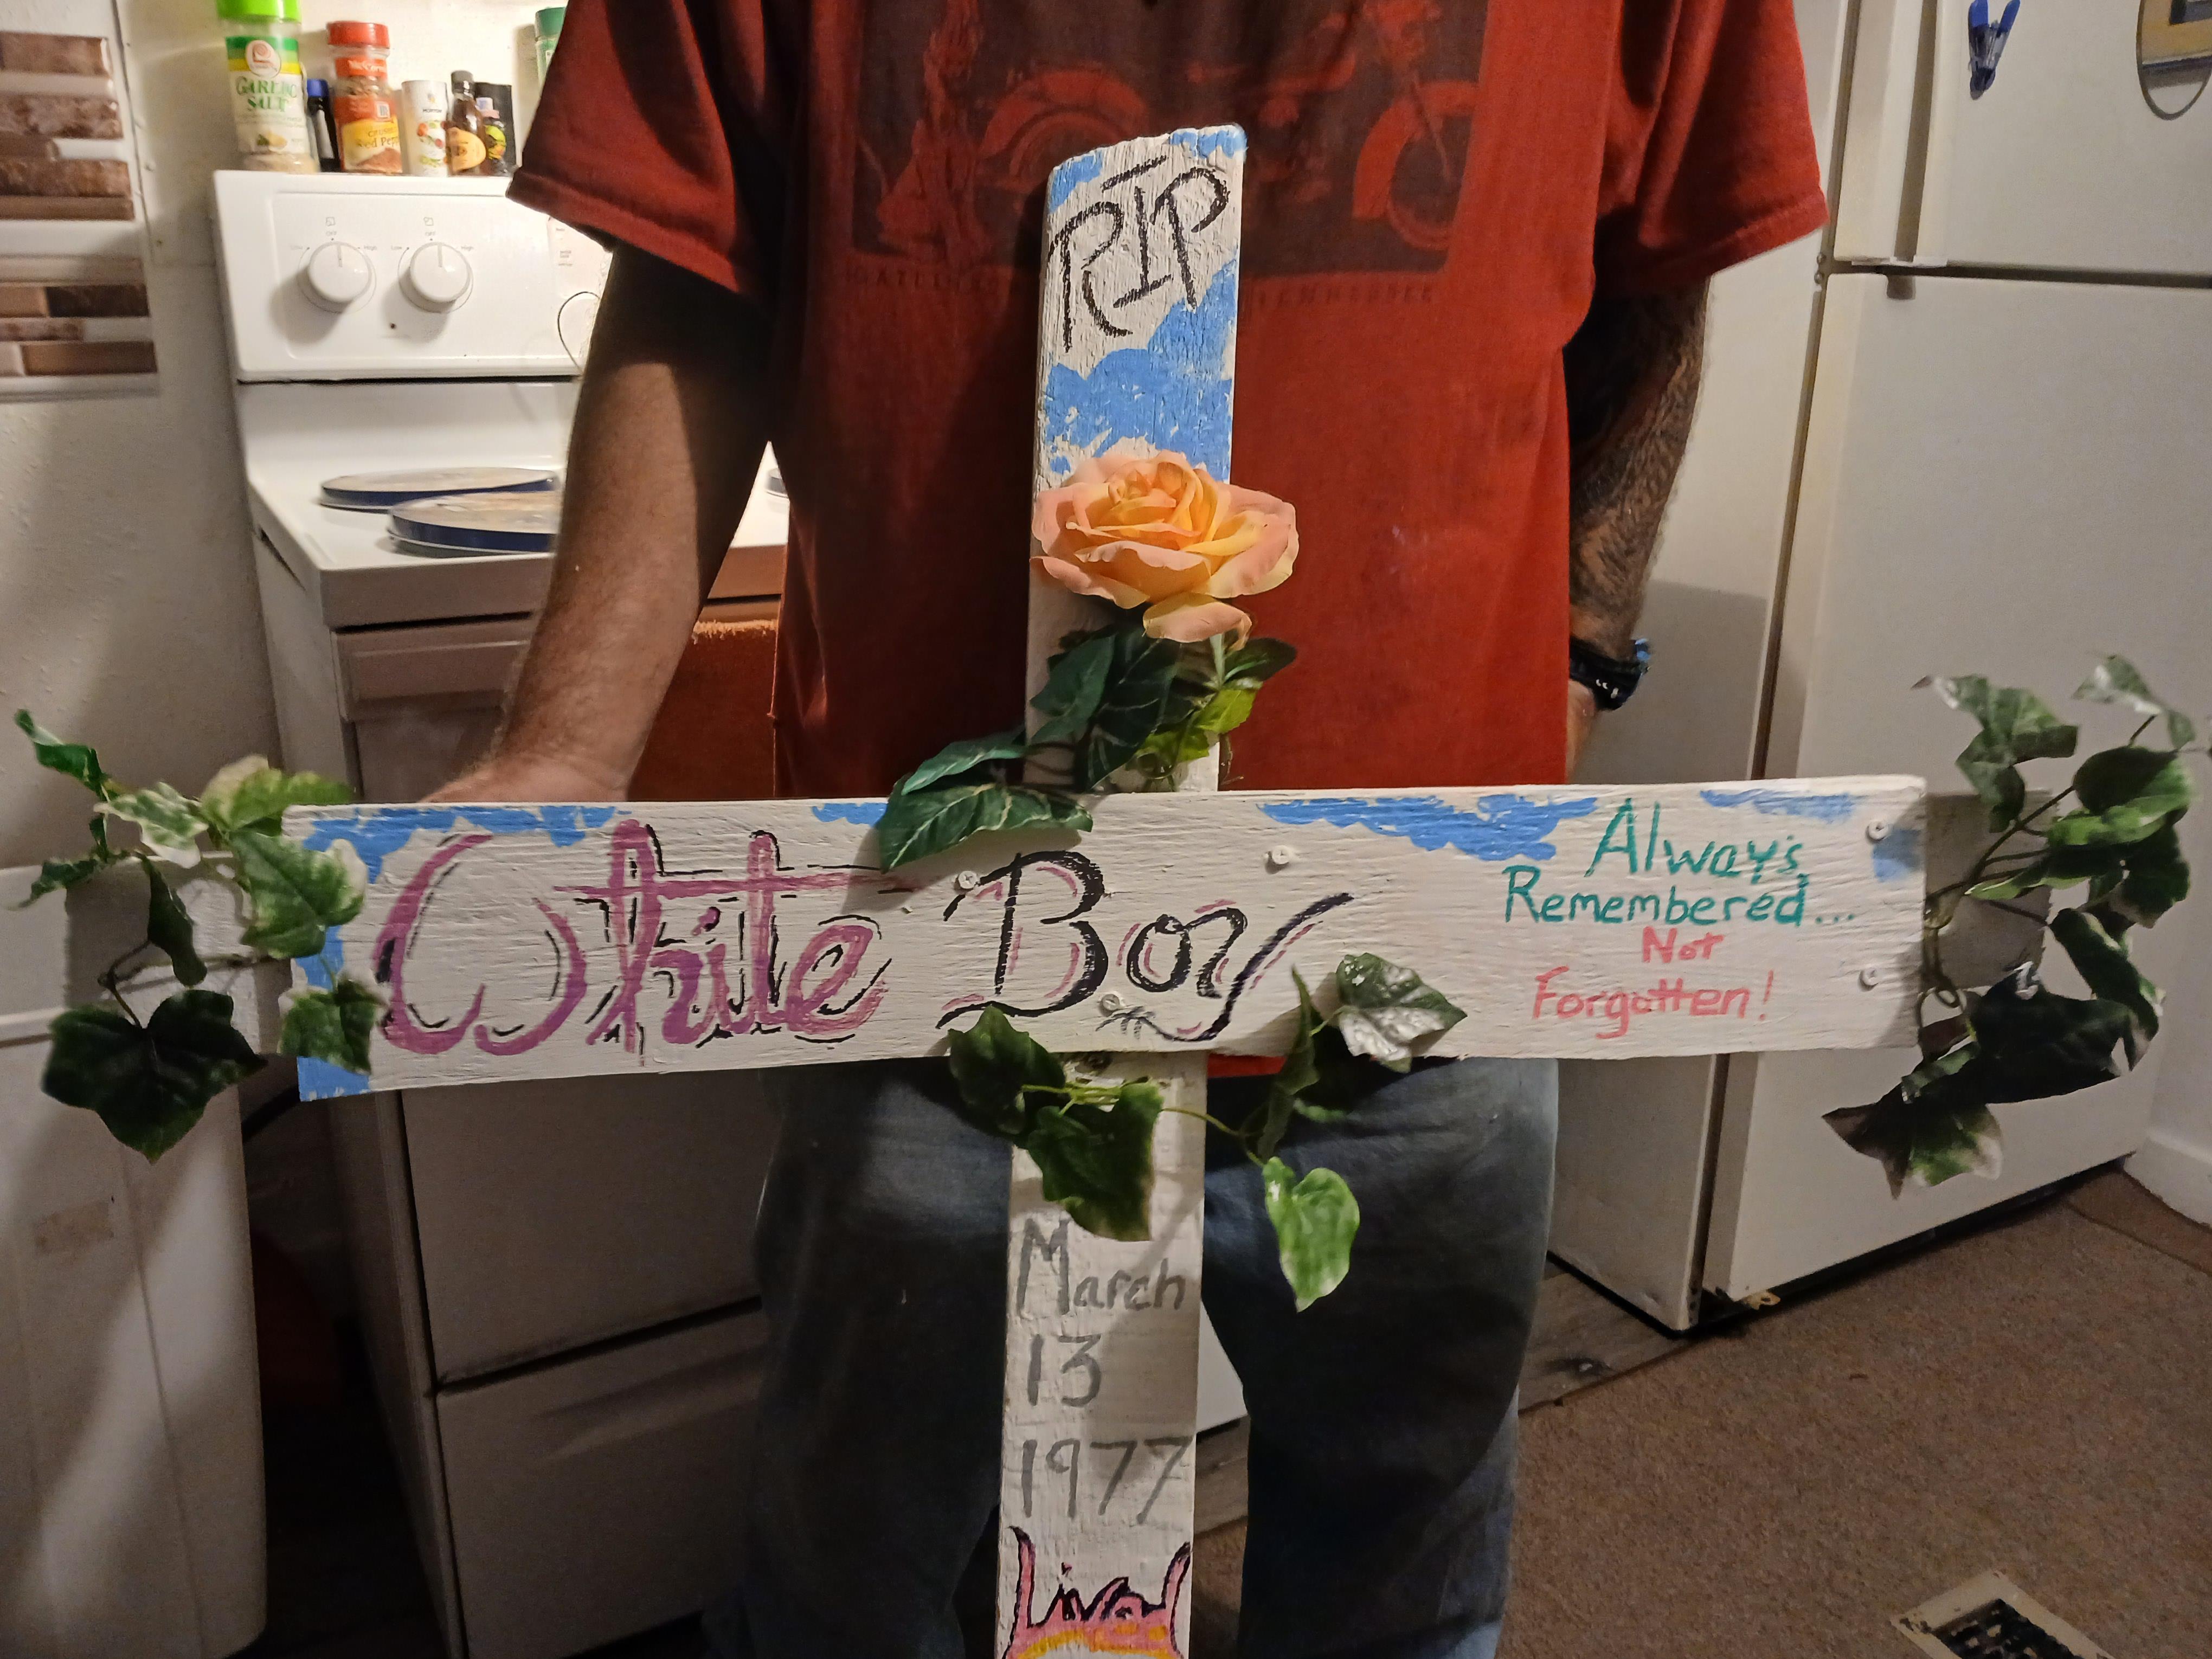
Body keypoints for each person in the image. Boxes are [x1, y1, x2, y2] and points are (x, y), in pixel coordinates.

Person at [439, 4, 1826, 1654]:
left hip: (1421, 922)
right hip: (929, 928)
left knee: (1402, 1538)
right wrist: (560, 748)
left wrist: (1587, 631)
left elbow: (1658, 255)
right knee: (859, 1557)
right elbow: (694, 272)